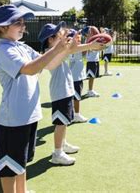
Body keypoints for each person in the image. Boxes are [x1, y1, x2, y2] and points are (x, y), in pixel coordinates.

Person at [0, 5, 71, 193]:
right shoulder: (3, 50)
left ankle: (22, 191)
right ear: (1, 27)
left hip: (29, 115)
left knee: (21, 160)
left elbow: (48, 64)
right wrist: (57, 48)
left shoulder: (21, 46)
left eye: (23, 23)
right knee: (9, 166)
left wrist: (64, 49)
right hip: (13, 119)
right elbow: (30, 68)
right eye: (18, 23)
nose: (23, 27)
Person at [39, 23, 104, 166]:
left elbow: (73, 49)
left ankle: (62, 144)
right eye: (59, 34)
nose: (63, 36)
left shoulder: (57, 50)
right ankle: (57, 153)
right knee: (61, 123)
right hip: (59, 92)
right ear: (50, 39)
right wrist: (86, 45)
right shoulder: (51, 52)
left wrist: (91, 45)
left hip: (65, 90)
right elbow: (69, 50)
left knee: (65, 121)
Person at [69, 30, 88, 123]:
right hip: (75, 76)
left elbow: (84, 53)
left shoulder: (73, 47)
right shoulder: (75, 47)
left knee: (74, 96)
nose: (79, 38)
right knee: (77, 97)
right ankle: (76, 114)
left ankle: (73, 114)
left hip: (75, 75)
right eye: (77, 36)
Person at [84, 26, 102, 97]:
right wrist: (101, 48)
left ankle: (90, 90)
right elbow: (93, 49)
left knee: (93, 76)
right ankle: (90, 91)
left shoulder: (94, 39)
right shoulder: (89, 40)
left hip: (95, 60)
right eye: (94, 31)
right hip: (91, 61)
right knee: (91, 76)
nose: (97, 32)